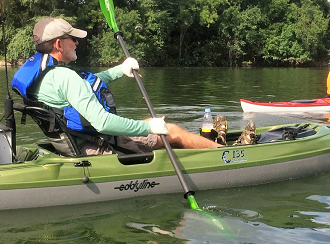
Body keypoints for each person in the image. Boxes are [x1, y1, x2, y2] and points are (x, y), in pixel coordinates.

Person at [12, 17, 220, 155]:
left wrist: (119, 71)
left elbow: (86, 84)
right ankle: (226, 155)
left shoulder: (44, 76)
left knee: (152, 124)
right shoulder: (66, 77)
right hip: (97, 145)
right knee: (172, 131)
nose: (77, 43)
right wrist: (149, 127)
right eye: (72, 39)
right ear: (58, 44)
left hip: (78, 143)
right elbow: (102, 123)